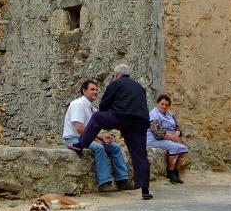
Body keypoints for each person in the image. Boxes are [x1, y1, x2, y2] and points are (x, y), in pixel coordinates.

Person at [67, 64, 153, 200]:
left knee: (97, 118)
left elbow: (103, 106)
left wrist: (112, 112)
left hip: (121, 117)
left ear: (117, 75)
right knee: (140, 154)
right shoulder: (139, 87)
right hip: (140, 122)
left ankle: (80, 145)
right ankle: (145, 190)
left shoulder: (115, 84)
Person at [62, 80, 135, 193]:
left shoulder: (92, 108)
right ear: (84, 91)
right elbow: (79, 128)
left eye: (96, 89)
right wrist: (98, 138)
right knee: (99, 148)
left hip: (86, 137)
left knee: (115, 147)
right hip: (73, 139)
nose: (95, 92)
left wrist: (102, 137)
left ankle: (122, 180)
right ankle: (104, 183)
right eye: (92, 89)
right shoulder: (78, 104)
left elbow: (92, 131)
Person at [147, 94, 189, 184]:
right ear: (157, 103)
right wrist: (173, 138)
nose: (164, 106)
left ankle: (176, 171)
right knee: (175, 147)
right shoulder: (153, 114)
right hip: (154, 140)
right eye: (162, 104)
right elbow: (158, 133)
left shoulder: (170, 114)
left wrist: (177, 133)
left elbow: (178, 127)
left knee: (183, 149)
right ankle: (170, 172)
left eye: (166, 105)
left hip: (169, 139)